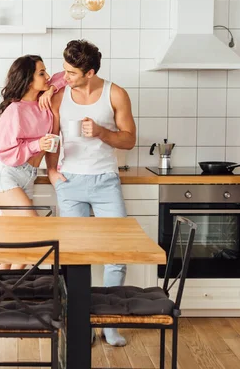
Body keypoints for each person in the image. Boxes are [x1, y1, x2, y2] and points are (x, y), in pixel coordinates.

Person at [45, 40, 137, 346]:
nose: (64, 75)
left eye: (71, 72)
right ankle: (80, 324)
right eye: (65, 69)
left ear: (90, 72)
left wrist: (101, 132)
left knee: (117, 254)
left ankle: (109, 325)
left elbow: (128, 140)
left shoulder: (115, 93)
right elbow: (51, 137)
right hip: (70, 183)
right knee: (73, 257)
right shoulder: (59, 95)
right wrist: (52, 172)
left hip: (105, 182)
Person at [0, 55, 66, 269]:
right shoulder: (15, 110)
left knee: (15, 247)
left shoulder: (44, 103)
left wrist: (50, 89)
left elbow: (66, 76)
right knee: (34, 234)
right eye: (41, 73)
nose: (48, 76)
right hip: (7, 176)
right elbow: (3, 151)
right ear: (28, 80)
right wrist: (37, 144)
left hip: (27, 178)